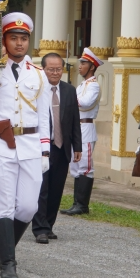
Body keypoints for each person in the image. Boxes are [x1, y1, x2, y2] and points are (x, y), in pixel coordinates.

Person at [0, 13, 50, 278]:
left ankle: (1, 248)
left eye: (23, 38)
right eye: (13, 38)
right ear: (3, 40)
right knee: (3, 205)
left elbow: (44, 116)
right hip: (0, 144)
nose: (19, 43)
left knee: (27, 206)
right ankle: (8, 262)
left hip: (29, 144)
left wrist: (45, 150)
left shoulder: (38, 75)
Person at [36, 51, 83, 233]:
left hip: (62, 147)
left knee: (56, 190)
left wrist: (77, 146)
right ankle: (39, 228)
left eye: (58, 69)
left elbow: (74, 121)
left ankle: (48, 225)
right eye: (51, 69)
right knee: (42, 189)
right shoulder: (38, 90)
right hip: (42, 148)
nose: (55, 73)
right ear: (43, 69)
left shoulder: (69, 90)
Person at [59, 50, 96, 218]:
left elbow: (86, 103)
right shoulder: (82, 85)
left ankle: (82, 204)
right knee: (76, 165)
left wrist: (69, 97)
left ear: (92, 67)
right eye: (80, 63)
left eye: (84, 64)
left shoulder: (94, 85)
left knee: (85, 167)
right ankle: (76, 203)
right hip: (77, 127)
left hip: (86, 128)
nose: (80, 67)